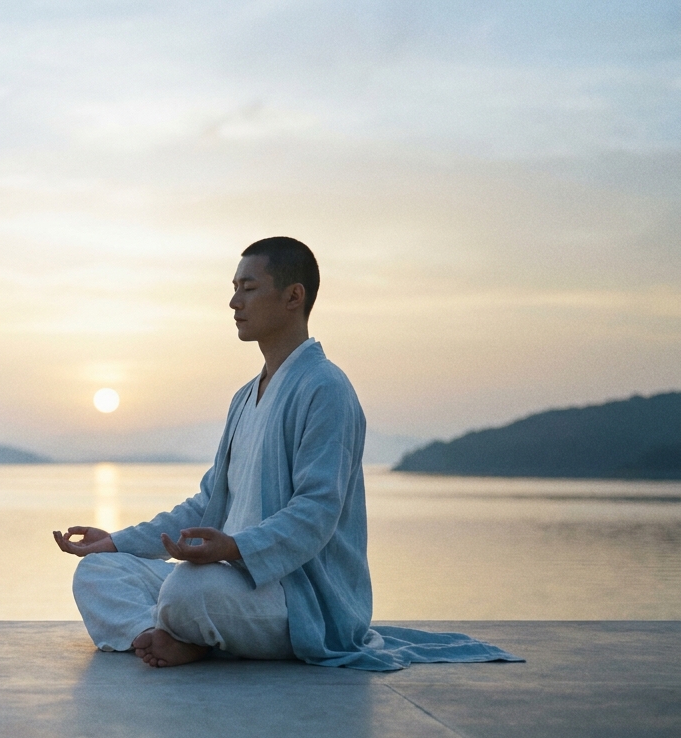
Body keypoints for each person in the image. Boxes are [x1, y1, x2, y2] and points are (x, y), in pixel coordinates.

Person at [53, 237, 519, 670]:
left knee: (189, 588)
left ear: (293, 297)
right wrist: (116, 541)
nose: (234, 303)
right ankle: (165, 636)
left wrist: (235, 547)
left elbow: (317, 512)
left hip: (296, 599)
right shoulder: (244, 398)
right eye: (233, 289)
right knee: (98, 572)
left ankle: (183, 632)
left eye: (248, 288)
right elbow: (207, 503)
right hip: (233, 584)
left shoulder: (325, 388)